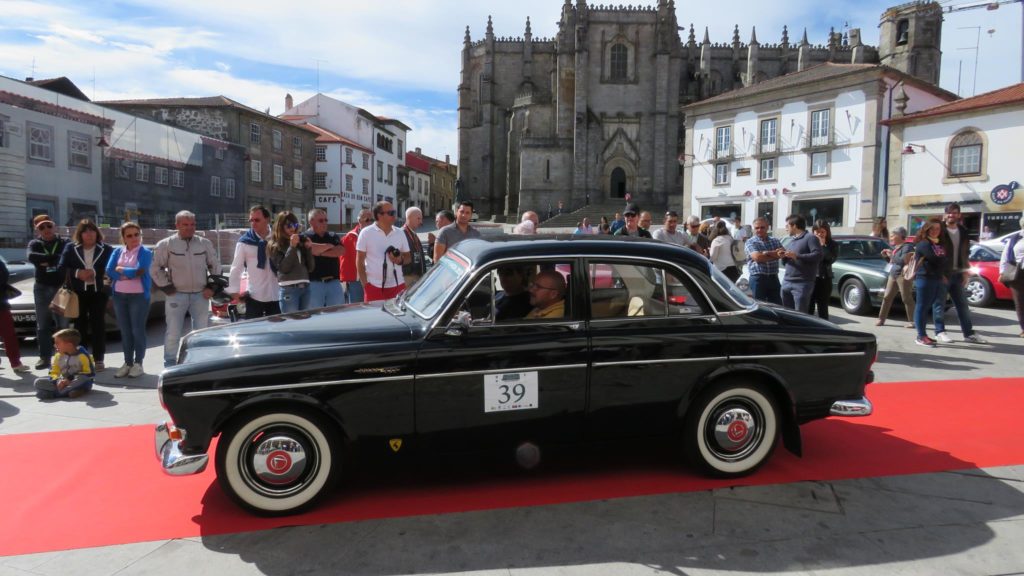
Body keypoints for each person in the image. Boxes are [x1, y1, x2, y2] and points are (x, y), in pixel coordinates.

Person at [151, 210, 218, 367]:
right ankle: (170, 363)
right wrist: (166, 287)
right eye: (185, 224)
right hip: (176, 295)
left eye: (192, 224)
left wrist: (212, 287)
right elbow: (155, 268)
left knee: (201, 332)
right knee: (173, 332)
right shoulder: (166, 244)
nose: (189, 227)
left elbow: (215, 266)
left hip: (201, 295)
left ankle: (199, 363)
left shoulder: (204, 243)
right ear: (177, 225)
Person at [58, 219, 112, 371]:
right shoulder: (70, 248)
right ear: (80, 234)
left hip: (98, 292)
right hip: (77, 293)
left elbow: (111, 267)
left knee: (98, 325)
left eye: (92, 230)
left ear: (97, 233)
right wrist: (78, 273)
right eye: (85, 231)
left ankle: (99, 359)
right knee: (79, 326)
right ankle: (81, 358)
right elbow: (61, 268)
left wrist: (94, 272)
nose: (89, 234)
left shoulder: (106, 249)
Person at [933, 203, 985, 344]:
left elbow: (966, 252)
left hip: (958, 273)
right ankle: (940, 332)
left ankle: (968, 333)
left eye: (955, 212)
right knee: (939, 304)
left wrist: (966, 272)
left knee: (963, 305)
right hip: (943, 273)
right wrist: (939, 272)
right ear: (945, 214)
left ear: (959, 215)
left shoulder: (962, 230)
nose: (952, 215)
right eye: (949, 212)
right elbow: (934, 252)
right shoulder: (939, 230)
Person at [105, 222, 152, 378]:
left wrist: (122, 270)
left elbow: (140, 271)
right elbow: (109, 270)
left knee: (137, 330)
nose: (134, 238)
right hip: (119, 295)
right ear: (124, 238)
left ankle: (138, 363)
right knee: (125, 331)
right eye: (129, 236)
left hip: (138, 296)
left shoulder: (145, 252)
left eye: (136, 234)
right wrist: (124, 275)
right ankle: (128, 362)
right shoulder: (118, 252)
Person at [26, 214, 68, 369]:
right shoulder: (34, 243)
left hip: (61, 288)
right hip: (42, 287)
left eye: (48, 226)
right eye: (41, 227)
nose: (46, 229)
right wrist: (54, 258)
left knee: (63, 324)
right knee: (42, 324)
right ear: (37, 230)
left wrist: (46, 260)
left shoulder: (64, 242)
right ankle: (44, 357)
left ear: (54, 226)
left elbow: (66, 257)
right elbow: (31, 256)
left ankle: (64, 356)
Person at [229, 205, 281, 319]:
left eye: (257, 220)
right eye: (251, 220)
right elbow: (236, 267)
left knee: (277, 331)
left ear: (267, 219)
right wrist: (234, 291)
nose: (253, 223)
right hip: (255, 295)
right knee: (254, 331)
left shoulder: (278, 238)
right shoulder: (244, 242)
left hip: (277, 294)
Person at [357, 201, 411, 302]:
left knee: (398, 317)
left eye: (394, 212)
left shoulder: (400, 233)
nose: (394, 215)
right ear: (379, 215)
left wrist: (400, 260)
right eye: (391, 213)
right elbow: (359, 262)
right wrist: (366, 286)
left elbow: (408, 257)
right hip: (373, 287)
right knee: (375, 318)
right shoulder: (366, 233)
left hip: (398, 285)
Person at [268, 211, 315, 313]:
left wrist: (308, 249)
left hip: (305, 287)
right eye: (289, 225)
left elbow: (311, 268)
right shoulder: (275, 245)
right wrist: (292, 246)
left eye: (295, 225)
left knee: (305, 323)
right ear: (280, 227)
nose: (292, 228)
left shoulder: (300, 241)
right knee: (291, 322)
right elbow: (284, 268)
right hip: (289, 289)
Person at [913, 217, 948, 347]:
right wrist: (944, 260)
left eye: (938, 229)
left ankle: (924, 335)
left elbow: (943, 260)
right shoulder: (924, 243)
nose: (935, 231)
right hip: (925, 279)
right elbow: (935, 259)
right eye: (932, 228)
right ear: (926, 229)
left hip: (936, 278)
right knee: (921, 307)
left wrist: (943, 268)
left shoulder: (938, 243)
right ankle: (920, 336)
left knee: (927, 307)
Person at [303, 208, 346, 308]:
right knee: (314, 316)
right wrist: (328, 246)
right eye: (321, 220)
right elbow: (311, 249)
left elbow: (341, 251)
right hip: (314, 283)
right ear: (311, 222)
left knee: (338, 313)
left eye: (326, 220)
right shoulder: (305, 236)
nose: (325, 223)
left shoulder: (332, 235)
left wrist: (320, 252)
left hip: (334, 283)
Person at [34, 328, 94, 400]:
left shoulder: (83, 356)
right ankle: (72, 392)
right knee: (38, 382)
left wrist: (69, 380)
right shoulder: (58, 356)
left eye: (57, 343)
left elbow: (89, 374)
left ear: (69, 345)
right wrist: (58, 380)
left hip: (78, 381)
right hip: (62, 381)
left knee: (83, 378)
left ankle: (55, 394)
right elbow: (53, 372)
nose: (54, 345)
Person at [779, 214, 822, 313]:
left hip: (802, 284)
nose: (786, 229)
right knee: (787, 314)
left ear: (794, 225)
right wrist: (784, 256)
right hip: (787, 282)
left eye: (787, 226)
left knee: (800, 314)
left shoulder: (810, 238)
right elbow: (789, 261)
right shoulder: (792, 240)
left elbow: (818, 255)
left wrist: (797, 256)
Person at [876, 227, 916, 328]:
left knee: (906, 298)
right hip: (893, 274)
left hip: (902, 275)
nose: (891, 237)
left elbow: (903, 261)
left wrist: (891, 256)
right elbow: (892, 262)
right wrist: (886, 256)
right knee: (887, 297)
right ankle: (881, 319)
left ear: (900, 236)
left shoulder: (907, 247)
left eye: (893, 235)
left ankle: (912, 321)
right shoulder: (896, 247)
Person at [745, 216, 784, 305]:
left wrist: (766, 253)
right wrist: (775, 255)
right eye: (757, 228)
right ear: (753, 229)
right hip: (758, 279)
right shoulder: (750, 242)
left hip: (773, 278)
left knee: (777, 306)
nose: (759, 230)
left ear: (768, 227)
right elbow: (757, 258)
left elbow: (782, 253)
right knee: (758, 307)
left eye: (762, 227)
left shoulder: (775, 240)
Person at [0, 258, 30, 373]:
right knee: (9, 334)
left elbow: (4, 277)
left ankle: (16, 363)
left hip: (1, 304)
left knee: (9, 334)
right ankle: (16, 363)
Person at [998, 215, 1024, 337]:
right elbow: (1005, 256)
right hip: (1017, 273)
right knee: (1019, 302)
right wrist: (1002, 272)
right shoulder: (1015, 238)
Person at [807, 219, 838, 320]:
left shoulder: (832, 244)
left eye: (823, 232)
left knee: (823, 307)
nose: (820, 234)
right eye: (817, 232)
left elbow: (829, 259)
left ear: (827, 232)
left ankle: (824, 330)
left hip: (824, 279)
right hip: (810, 278)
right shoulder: (808, 242)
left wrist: (823, 246)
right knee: (809, 307)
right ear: (813, 232)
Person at [341, 209, 373, 304]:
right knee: (356, 306)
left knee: (372, 305)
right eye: (367, 220)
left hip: (373, 277)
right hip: (356, 279)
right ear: (359, 221)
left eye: (372, 220)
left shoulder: (376, 234)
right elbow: (344, 259)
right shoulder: (350, 236)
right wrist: (345, 277)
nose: (370, 222)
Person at [401, 207, 427, 286]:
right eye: (418, 219)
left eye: (421, 219)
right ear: (409, 218)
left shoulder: (413, 234)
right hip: (408, 277)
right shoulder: (401, 234)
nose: (421, 222)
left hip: (415, 275)